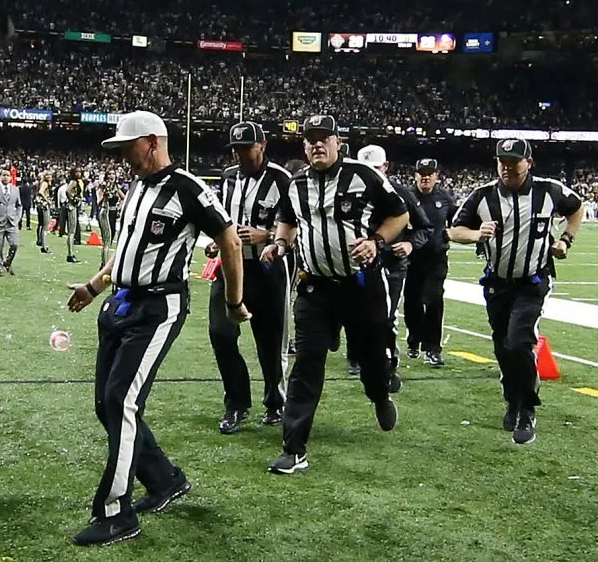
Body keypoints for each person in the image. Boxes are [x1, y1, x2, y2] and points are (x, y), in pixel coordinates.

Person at [66, 110, 249, 546]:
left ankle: (116, 512)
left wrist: (234, 302)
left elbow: (230, 239)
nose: (123, 157)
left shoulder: (189, 188)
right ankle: (164, 480)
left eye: (126, 148)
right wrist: (95, 285)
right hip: (120, 304)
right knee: (106, 405)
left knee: (120, 402)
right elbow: (127, 249)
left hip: (157, 307)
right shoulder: (137, 187)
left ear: (151, 142)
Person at [260, 114, 409, 475]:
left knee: (373, 359)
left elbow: (399, 216)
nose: (317, 145)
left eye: (324, 138)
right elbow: (288, 219)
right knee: (307, 364)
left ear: (338, 141)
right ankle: (293, 448)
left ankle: (379, 395)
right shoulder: (296, 184)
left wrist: (376, 242)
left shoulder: (364, 176)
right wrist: (280, 244)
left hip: (360, 286)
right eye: (310, 139)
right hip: (315, 289)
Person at [449, 138, 583, 445]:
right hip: (497, 284)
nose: (508, 167)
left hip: (533, 281)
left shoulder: (549, 191)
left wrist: (565, 240)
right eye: (503, 161)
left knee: (519, 340)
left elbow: (576, 210)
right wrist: (474, 234)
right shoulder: (482, 195)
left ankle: (526, 409)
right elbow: (454, 229)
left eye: (515, 161)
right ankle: (512, 398)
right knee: (503, 347)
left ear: (529, 162)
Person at [207, 121, 291, 434]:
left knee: (268, 342)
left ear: (263, 145)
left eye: (247, 148)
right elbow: (221, 218)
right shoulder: (228, 176)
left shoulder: (283, 179)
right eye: (237, 149)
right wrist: (218, 241)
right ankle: (237, 402)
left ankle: (274, 400)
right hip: (230, 267)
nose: (241, 155)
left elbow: (296, 225)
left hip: (267, 270)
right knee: (221, 333)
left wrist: (265, 235)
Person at [349, 145, 433, 392]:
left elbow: (424, 227)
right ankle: (356, 355)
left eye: (376, 168)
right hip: (359, 264)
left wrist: (409, 243)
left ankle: (388, 366)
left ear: (385, 167)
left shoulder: (400, 193)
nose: (372, 174)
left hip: (391, 265)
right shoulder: (351, 190)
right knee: (356, 314)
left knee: (386, 317)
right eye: (367, 169)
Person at [403, 159, 457, 366]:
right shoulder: (405, 197)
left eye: (430, 173)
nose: (425, 177)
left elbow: (458, 219)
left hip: (436, 259)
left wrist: (453, 233)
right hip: (411, 258)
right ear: (415, 175)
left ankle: (433, 348)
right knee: (412, 303)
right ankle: (414, 339)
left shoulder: (445, 199)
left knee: (434, 300)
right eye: (421, 173)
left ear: (437, 176)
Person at [96, 167, 125, 267]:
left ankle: (103, 263)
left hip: (113, 213)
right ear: (106, 176)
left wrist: (119, 206)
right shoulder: (103, 187)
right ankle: (104, 265)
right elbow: (98, 202)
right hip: (105, 213)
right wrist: (104, 196)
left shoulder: (116, 187)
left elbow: (124, 198)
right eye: (110, 174)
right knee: (107, 241)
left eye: (113, 174)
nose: (112, 176)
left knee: (111, 239)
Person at [65, 168, 83, 263]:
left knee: (71, 231)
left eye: (79, 172)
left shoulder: (75, 181)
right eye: (76, 172)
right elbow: (67, 191)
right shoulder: (74, 182)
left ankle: (71, 253)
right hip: (72, 207)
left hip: (72, 206)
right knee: (71, 231)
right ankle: (70, 254)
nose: (78, 173)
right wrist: (73, 199)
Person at [35, 171, 53, 253]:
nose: (49, 176)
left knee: (41, 225)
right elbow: (41, 192)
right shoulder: (45, 183)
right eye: (47, 175)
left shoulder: (41, 182)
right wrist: (47, 200)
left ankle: (41, 242)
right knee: (45, 226)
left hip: (40, 205)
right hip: (44, 205)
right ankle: (44, 246)